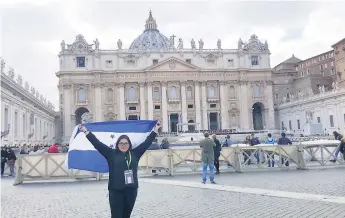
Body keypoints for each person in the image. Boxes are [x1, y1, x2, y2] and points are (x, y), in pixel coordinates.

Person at [79, 121, 161, 218]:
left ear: (129, 144)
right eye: (121, 143)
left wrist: (155, 129)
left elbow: (147, 143)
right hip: (115, 191)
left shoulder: (135, 153)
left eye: (126, 143)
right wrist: (85, 131)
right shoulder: (111, 153)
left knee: (126, 216)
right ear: (117, 144)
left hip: (131, 191)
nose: (123, 145)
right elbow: (97, 143)